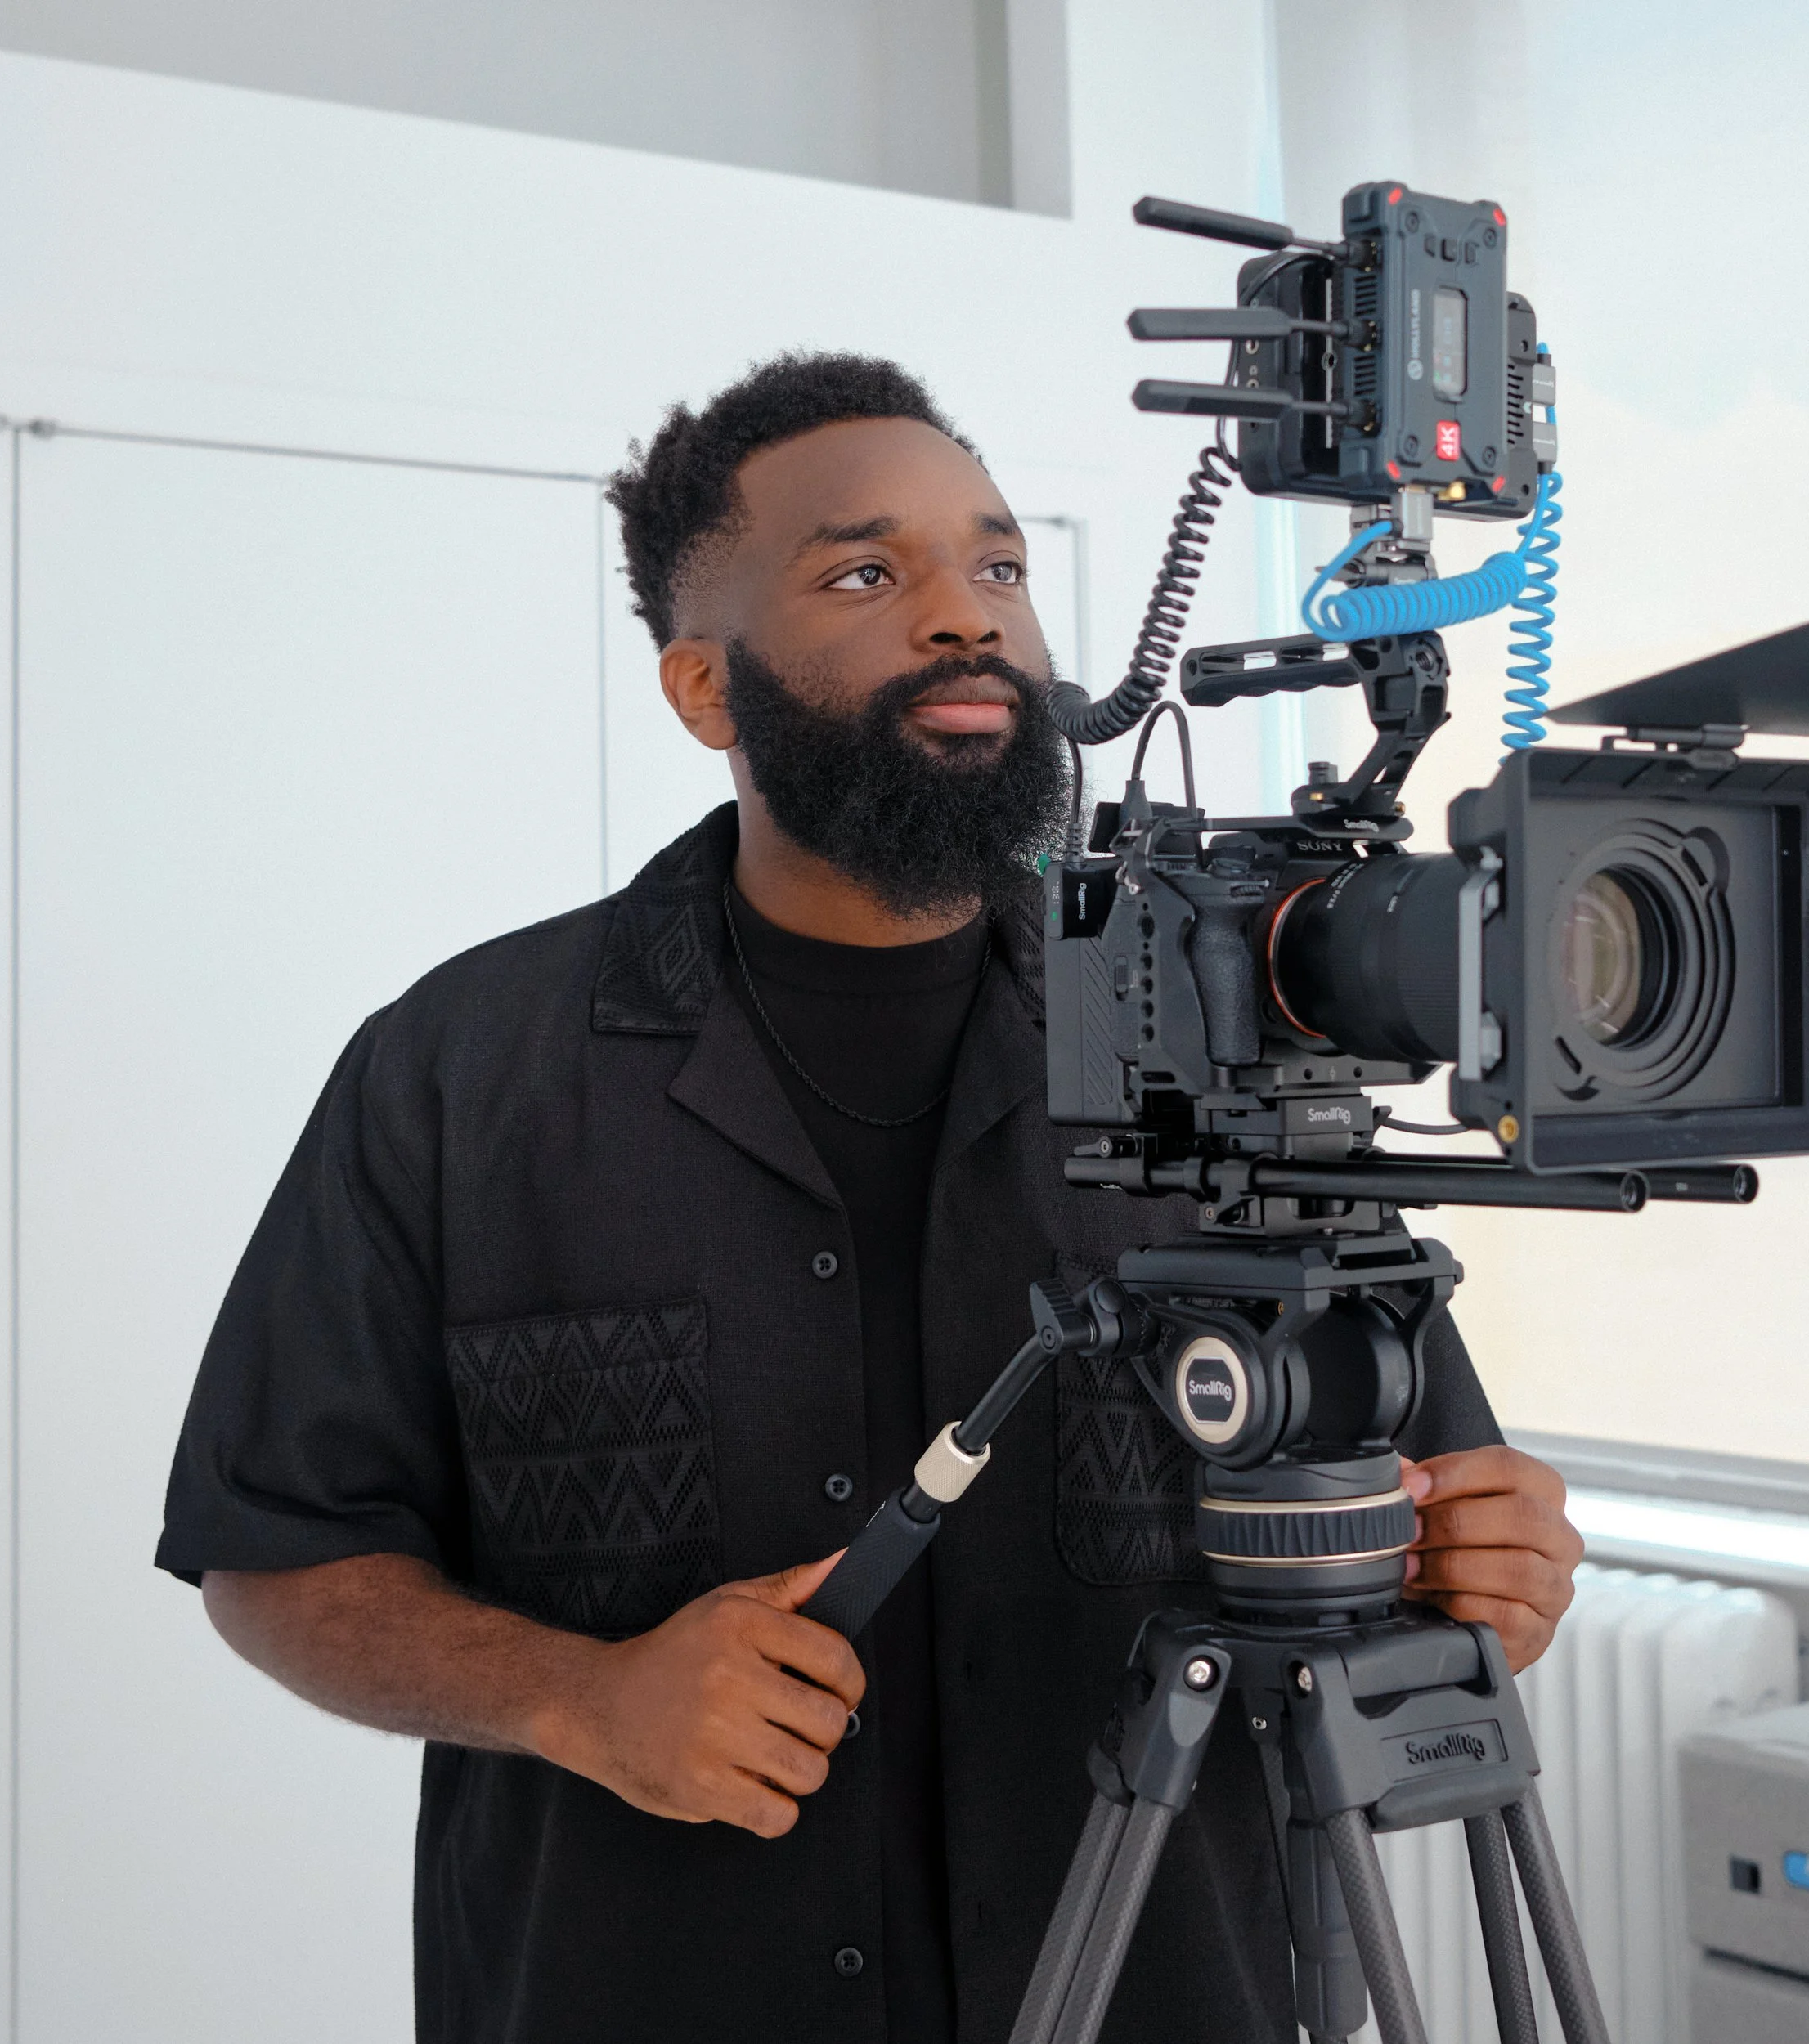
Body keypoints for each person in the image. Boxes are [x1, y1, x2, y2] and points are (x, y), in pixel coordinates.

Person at [157, 352, 1585, 2044]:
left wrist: (1483, 1562)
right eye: (863, 571)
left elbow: (1416, 1494)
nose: (963, 618)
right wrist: (581, 1696)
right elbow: (277, 1556)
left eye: (995, 568)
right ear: (706, 688)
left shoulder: (1235, 1058)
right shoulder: (459, 1073)